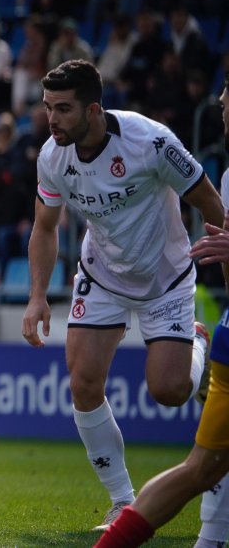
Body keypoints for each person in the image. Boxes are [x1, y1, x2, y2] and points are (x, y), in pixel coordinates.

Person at [21, 59, 222, 532]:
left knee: (169, 391)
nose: (52, 119)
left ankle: (197, 343)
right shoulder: (52, 156)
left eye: (63, 109)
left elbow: (209, 199)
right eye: (48, 107)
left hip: (165, 277)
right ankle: (121, 502)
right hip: (102, 275)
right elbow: (45, 228)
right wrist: (36, 296)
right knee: (83, 382)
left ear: (93, 109)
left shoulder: (151, 141)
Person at [94, 78, 229, 548]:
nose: (223, 116)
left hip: (180, 291)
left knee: (205, 462)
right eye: (223, 106)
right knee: (205, 464)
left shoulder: (155, 141)